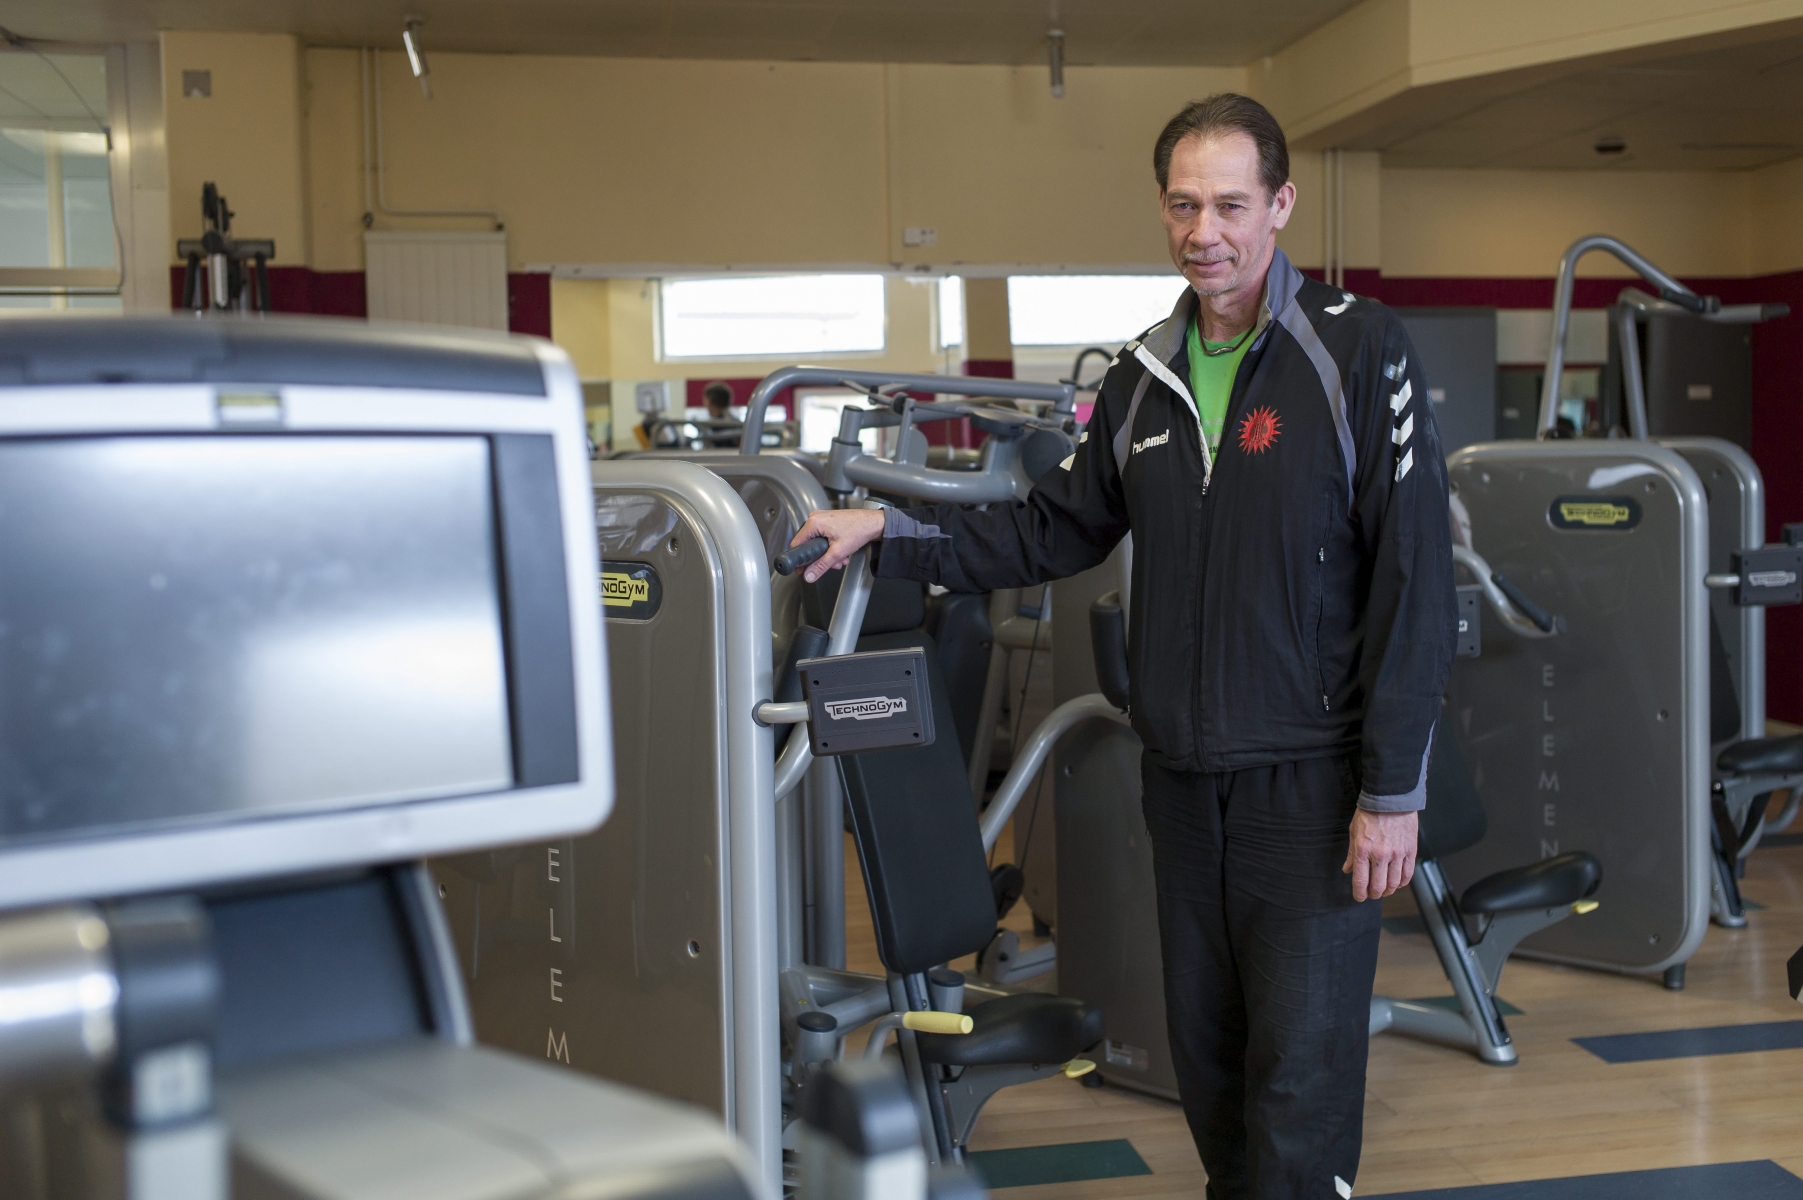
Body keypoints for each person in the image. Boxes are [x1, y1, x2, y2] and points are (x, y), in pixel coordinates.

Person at [787, 93, 1455, 1199]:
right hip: (1185, 788)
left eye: (1233, 205)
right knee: (1210, 1071)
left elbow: (1414, 578)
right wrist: (893, 534)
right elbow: (1051, 526)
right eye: (1186, 205)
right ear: (1163, 209)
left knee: (1300, 1086)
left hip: (1312, 784)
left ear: (1281, 205)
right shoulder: (1144, 372)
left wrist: (1393, 788)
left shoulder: (1357, 348)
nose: (1208, 232)